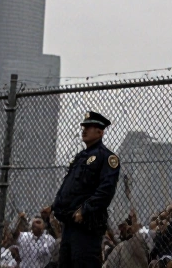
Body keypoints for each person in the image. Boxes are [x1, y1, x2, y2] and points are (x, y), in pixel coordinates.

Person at [51, 112, 120, 268]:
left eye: (89, 127)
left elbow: (106, 191)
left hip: (87, 225)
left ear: (100, 132)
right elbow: (68, 186)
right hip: (69, 225)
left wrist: (85, 210)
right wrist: (55, 206)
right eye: (84, 127)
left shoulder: (107, 157)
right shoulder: (80, 157)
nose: (84, 130)